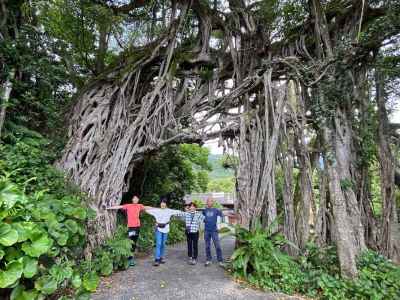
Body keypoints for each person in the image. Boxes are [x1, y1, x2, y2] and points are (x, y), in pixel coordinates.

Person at [106, 195, 146, 266]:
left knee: (134, 242)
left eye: (137, 199)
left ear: (138, 200)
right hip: (131, 227)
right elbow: (119, 207)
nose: (135, 200)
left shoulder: (140, 206)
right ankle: (128, 258)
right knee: (130, 242)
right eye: (134, 199)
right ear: (132, 200)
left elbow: (147, 208)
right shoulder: (128, 206)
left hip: (137, 227)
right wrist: (108, 207)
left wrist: (158, 209)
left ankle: (131, 258)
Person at [146, 197, 182, 266]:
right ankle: (157, 259)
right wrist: (141, 207)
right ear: (160, 204)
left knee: (163, 244)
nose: (163, 204)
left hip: (166, 228)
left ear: (166, 204)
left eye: (164, 203)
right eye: (161, 203)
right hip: (158, 228)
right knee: (158, 243)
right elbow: (147, 210)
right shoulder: (156, 210)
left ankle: (161, 258)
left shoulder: (169, 210)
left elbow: (177, 211)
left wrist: (186, 210)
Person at [203, 197, 224, 267]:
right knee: (207, 246)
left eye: (211, 201)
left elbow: (222, 217)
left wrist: (220, 226)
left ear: (213, 203)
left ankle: (220, 260)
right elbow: (201, 218)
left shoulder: (216, 210)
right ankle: (208, 260)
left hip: (214, 231)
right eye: (208, 201)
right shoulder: (204, 210)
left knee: (217, 246)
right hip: (206, 230)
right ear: (206, 203)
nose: (209, 202)